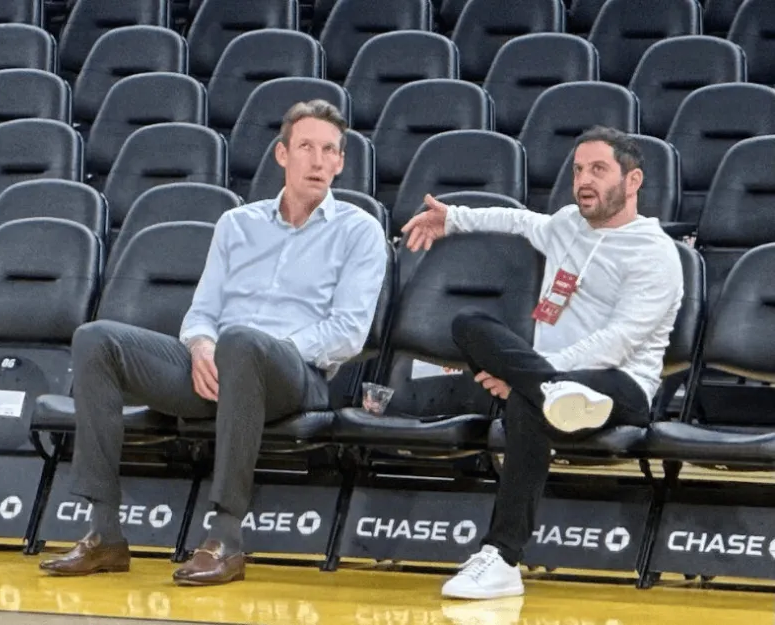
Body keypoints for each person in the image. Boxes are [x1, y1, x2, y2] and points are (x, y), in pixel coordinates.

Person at [39, 100, 388, 586]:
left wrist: (261, 349)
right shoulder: (236, 224)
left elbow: (348, 331)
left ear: (341, 162)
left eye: (329, 150)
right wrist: (202, 346)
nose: (318, 160)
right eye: (306, 146)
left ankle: (225, 539)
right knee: (96, 339)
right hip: (216, 368)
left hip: (295, 375)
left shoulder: (359, 230)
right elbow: (202, 311)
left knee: (242, 341)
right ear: (282, 154)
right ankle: (105, 534)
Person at [402, 126, 683, 600]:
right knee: (469, 323)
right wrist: (453, 217)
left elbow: (617, 343)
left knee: (529, 403)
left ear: (632, 180)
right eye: (578, 170)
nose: (583, 180)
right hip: (554, 383)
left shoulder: (655, 254)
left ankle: (502, 558)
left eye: (598, 169)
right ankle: (547, 391)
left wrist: (531, 377)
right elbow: (517, 220)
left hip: (621, 386)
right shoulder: (567, 224)